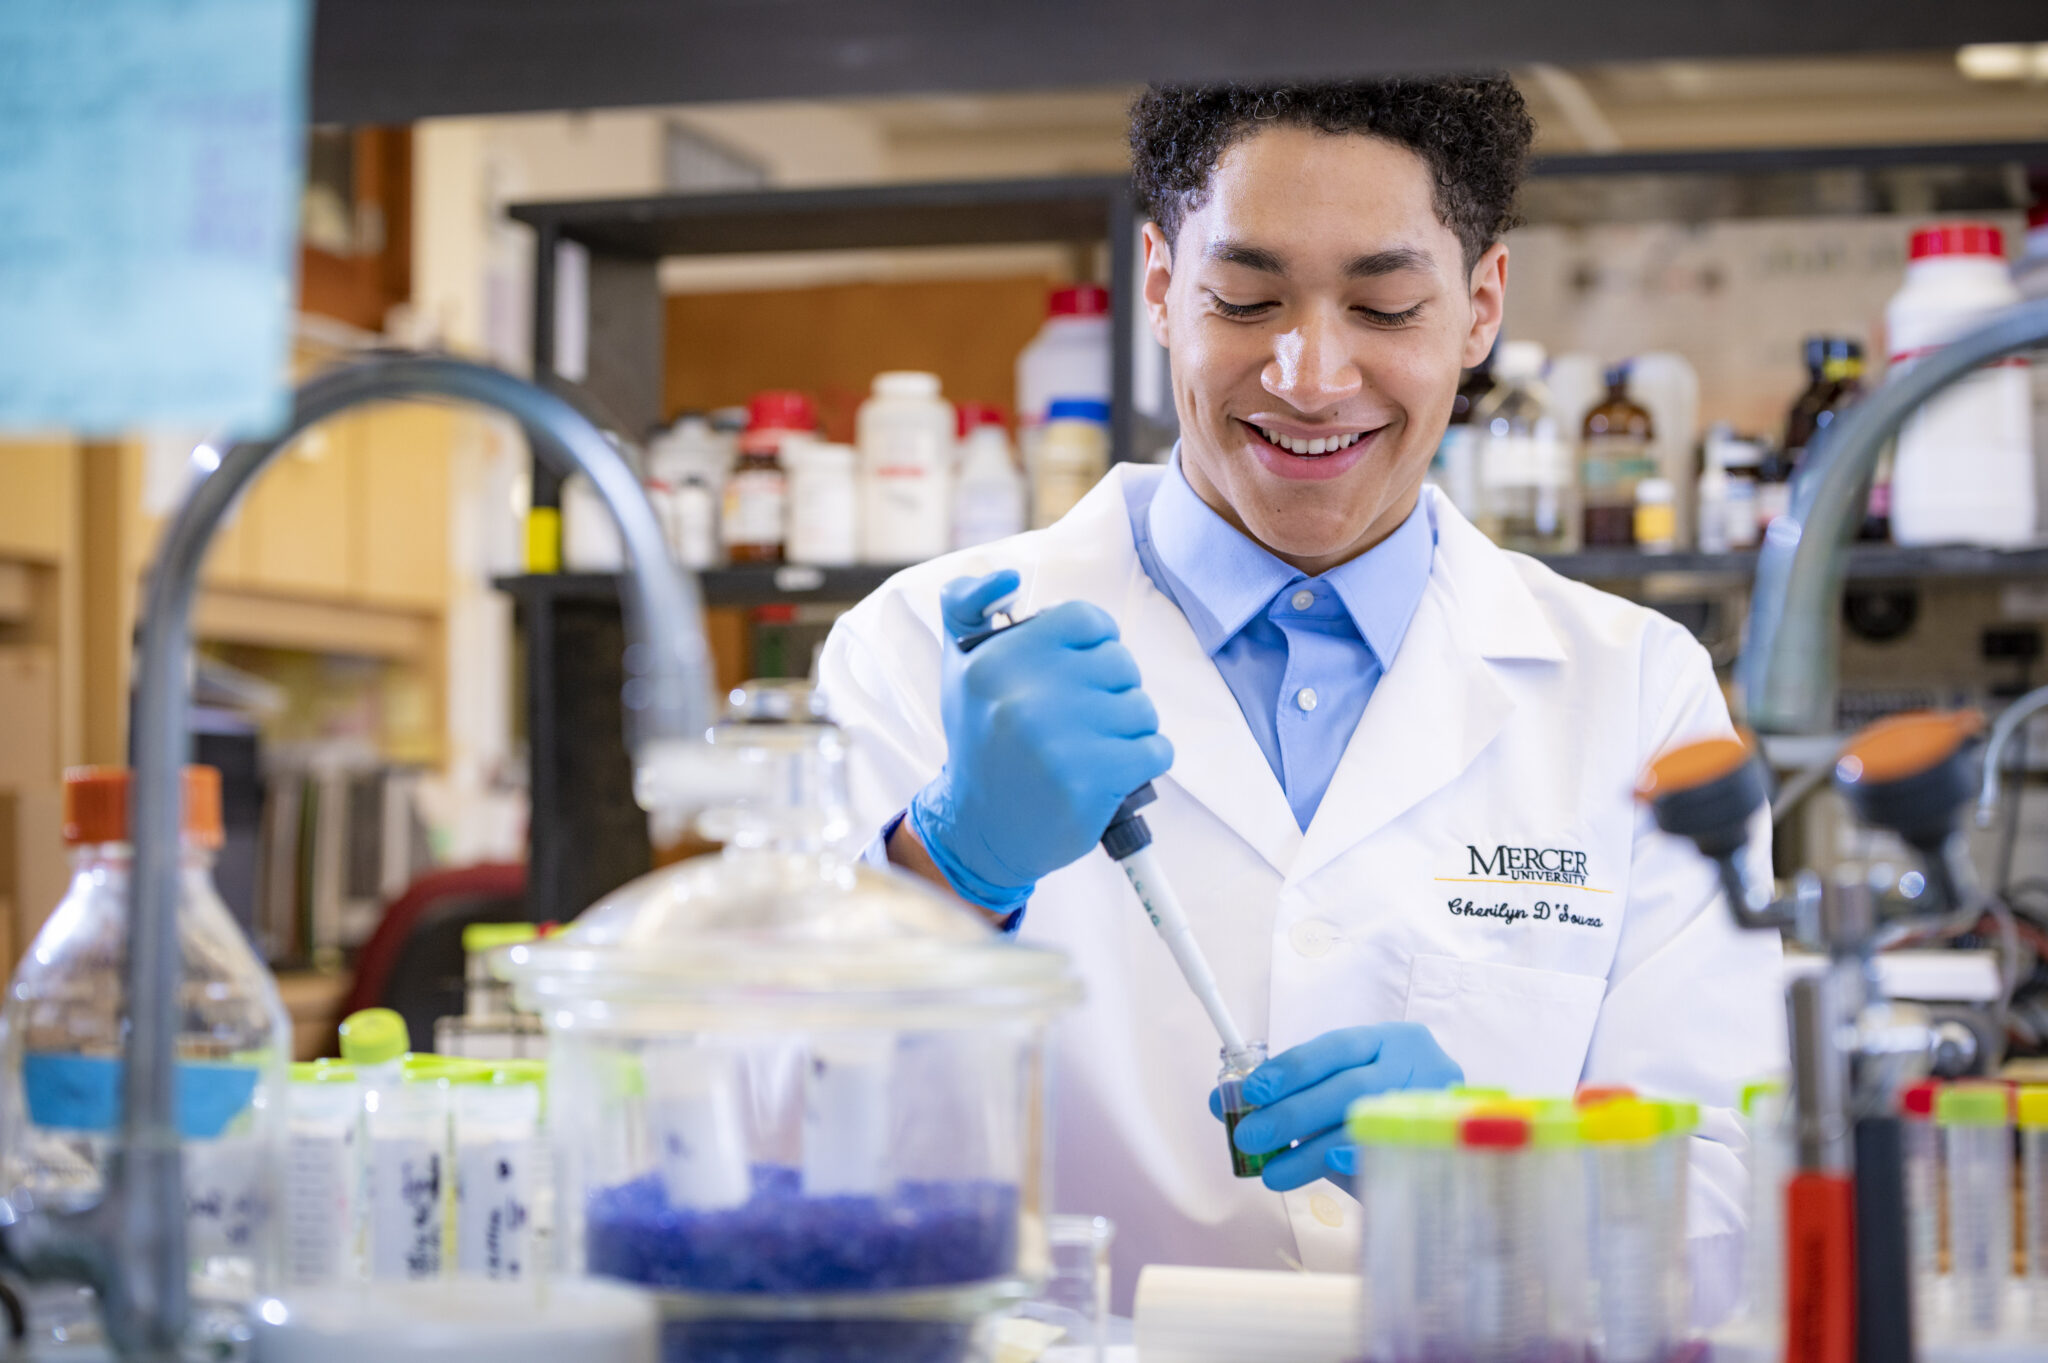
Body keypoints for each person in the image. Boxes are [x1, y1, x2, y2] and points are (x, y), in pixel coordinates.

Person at [818, 76, 1782, 1317]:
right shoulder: (914, 648)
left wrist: (1495, 1167)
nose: (1311, 376)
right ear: (1158, 286)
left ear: (1480, 307)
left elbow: (1729, 1210)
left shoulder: (1635, 689)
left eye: (1382, 306)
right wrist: (945, 872)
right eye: (1244, 298)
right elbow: (776, 1156)